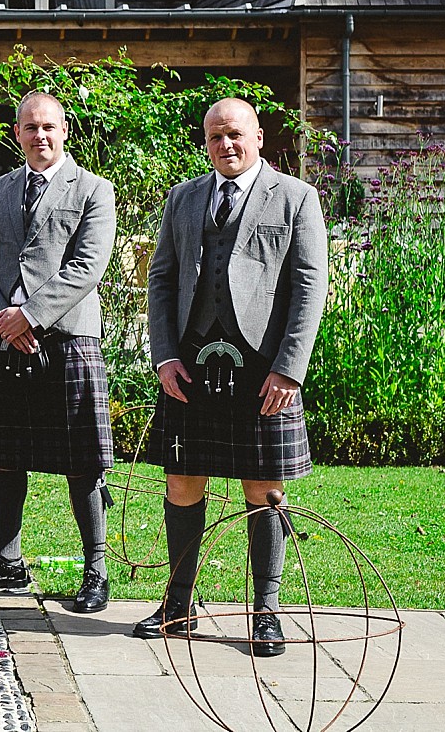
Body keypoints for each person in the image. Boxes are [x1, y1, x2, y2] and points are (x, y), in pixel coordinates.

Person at [134, 97, 327, 656]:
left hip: (263, 369)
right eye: (216, 136)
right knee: (182, 481)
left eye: (236, 134)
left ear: (259, 136)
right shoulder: (184, 198)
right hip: (192, 364)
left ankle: (266, 611)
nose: (227, 145)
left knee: (263, 488)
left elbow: (310, 288)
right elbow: (162, 280)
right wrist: (165, 355)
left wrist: (290, 369)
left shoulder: (295, 198)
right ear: (206, 141)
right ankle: (178, 605)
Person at [0, 91, 117, 615]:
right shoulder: (0, 190)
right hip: (7, 339)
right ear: (18, 132)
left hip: (68, 339)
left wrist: (30, 315)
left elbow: (88, 266)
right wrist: (3, 316)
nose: (39, 136)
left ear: (64, 130)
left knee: (82, 460)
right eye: (29, 128)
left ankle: (96, 569)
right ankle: (8, 562)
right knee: (5, 454)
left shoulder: (94, 190)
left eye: (48, 127)